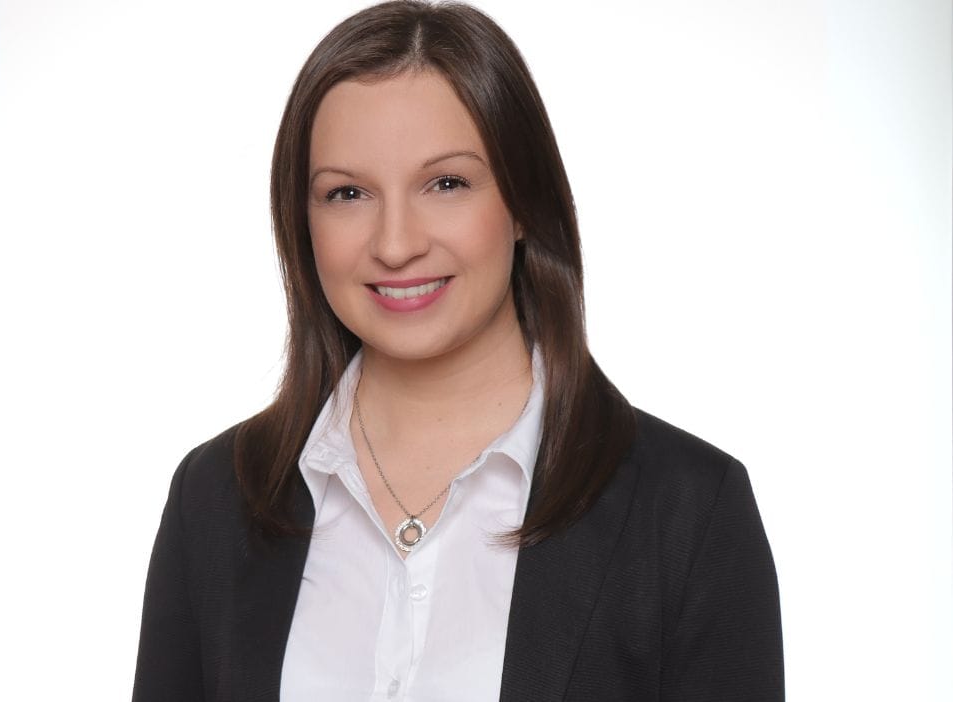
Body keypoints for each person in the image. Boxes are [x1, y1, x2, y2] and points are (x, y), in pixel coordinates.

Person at [132, 1, 783, 700]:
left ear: (525, 202)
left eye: (447, 183)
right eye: (347, 193)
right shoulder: (215, 497)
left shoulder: (687, 511)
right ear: (302, 221)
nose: (395, 244)